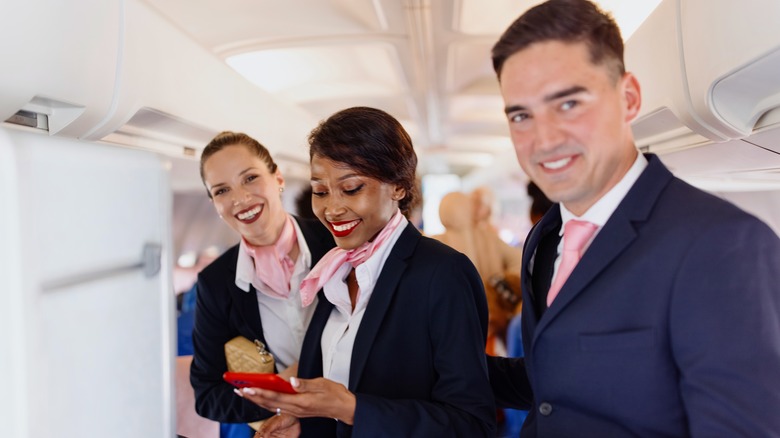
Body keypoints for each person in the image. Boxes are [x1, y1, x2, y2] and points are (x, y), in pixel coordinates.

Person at [486, 0, 780, 436]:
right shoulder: (545, 238)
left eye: (568, 104)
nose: (543, 139)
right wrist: (422, 368)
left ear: (628, 98)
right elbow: (554, 382)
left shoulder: (723, 245)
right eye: (521, 115)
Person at [236, 106, 496, 437]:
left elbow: (471, 424)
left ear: (399, 187)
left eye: (352, 188)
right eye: (320, 190)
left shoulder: (442, 273)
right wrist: (304, 424)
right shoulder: (335, 270)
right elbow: (337, 387)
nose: (331, 208)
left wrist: (353, 409)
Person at [189, 131, 335, 428]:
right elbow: (208, 395)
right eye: (221, 191)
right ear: (215, 205)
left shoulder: (335, 241)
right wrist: (277, 396)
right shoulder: (215, 283)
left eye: (250, 178)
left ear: (278, 179)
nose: (240, 199)